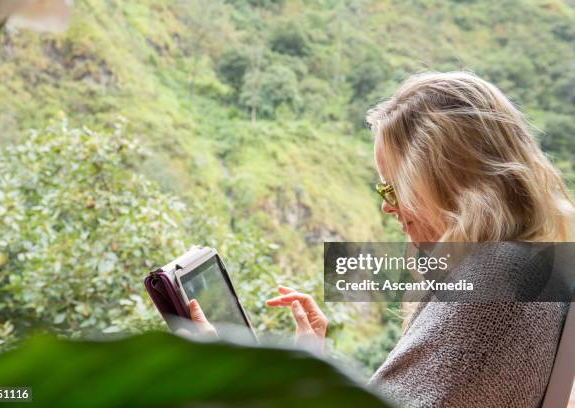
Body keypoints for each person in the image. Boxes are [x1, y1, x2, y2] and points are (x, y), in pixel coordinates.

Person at [187, 72, 575, 408]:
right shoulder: (533, 268)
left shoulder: (492, 281)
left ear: (446, 184)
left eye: (393, 189)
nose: (389, 208)